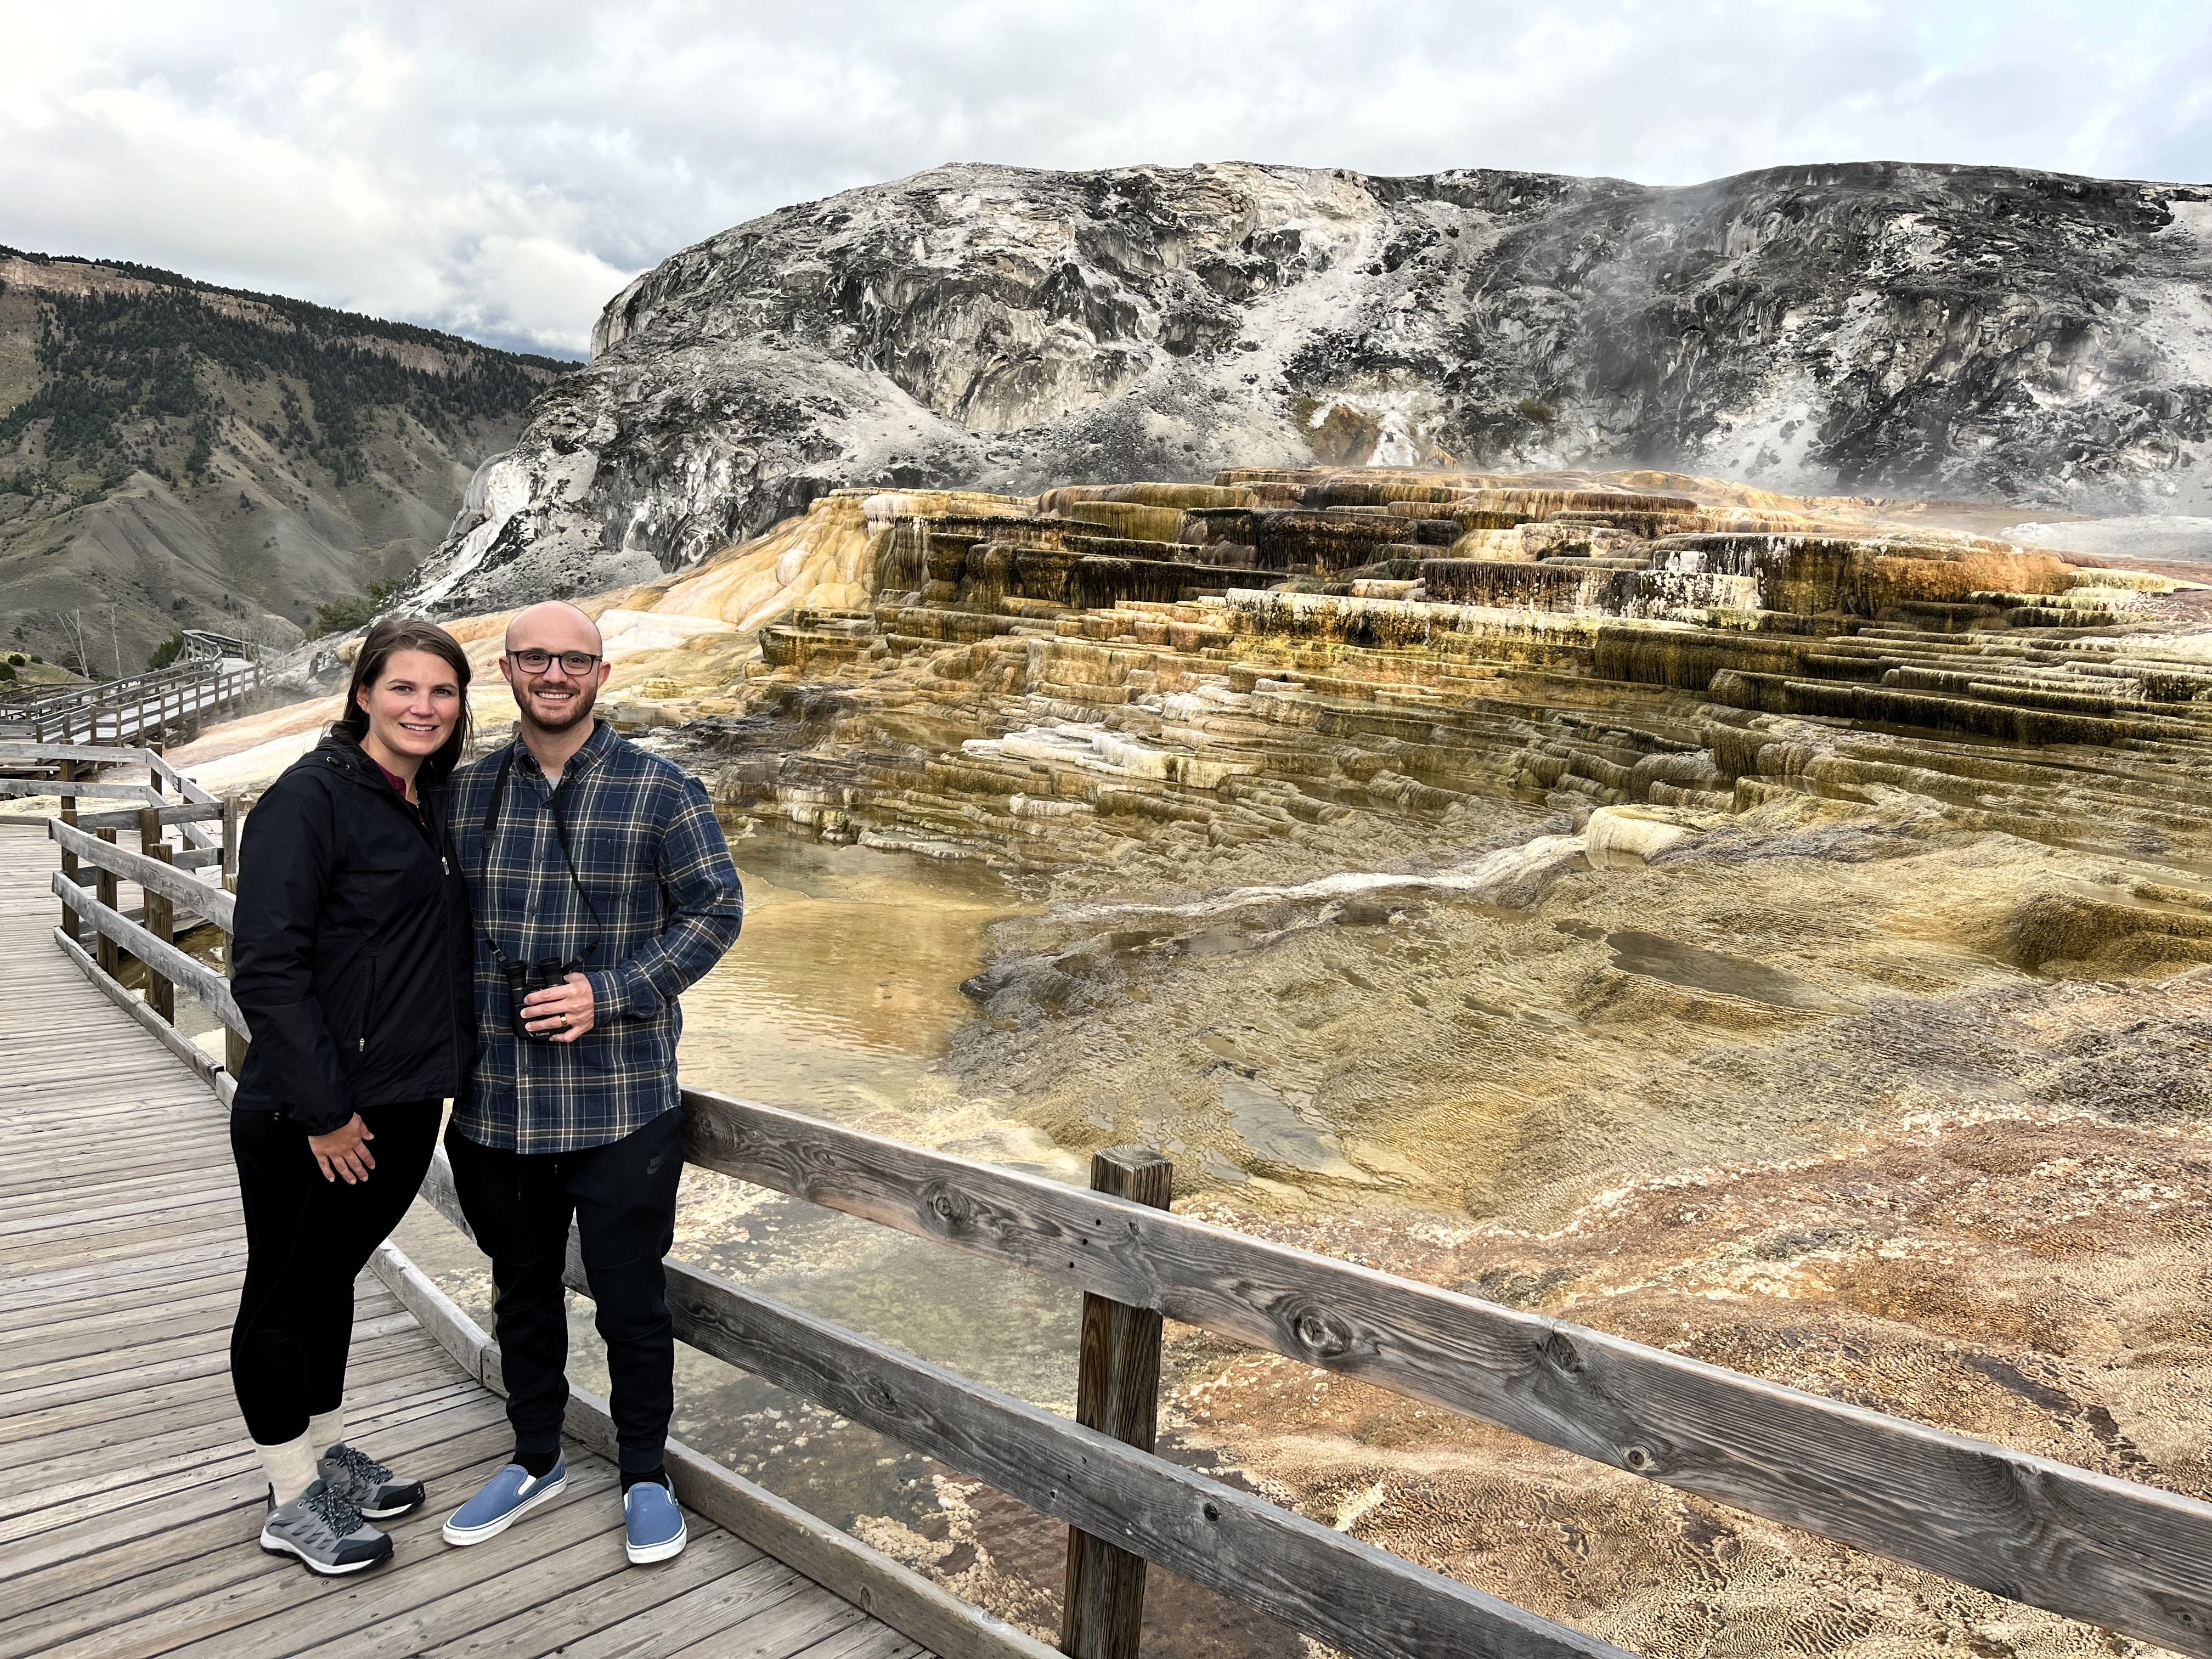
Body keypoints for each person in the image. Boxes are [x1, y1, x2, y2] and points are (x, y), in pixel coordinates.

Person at [439, 600, 743, 1566]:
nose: (555, 675)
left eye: (574, 660)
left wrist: (608, 993)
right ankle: (536, 1456)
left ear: (602, 675)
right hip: (496, 1105)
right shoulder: (466, 792)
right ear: (509, 670)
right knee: (520, 1289)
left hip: (623, 1101)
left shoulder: (663, 790)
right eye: (536, 659)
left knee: (630, 1302)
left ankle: (645, 1471)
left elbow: (716, 911)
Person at [228, 616, 477, 1575]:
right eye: (404, 687)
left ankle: (321, 1450)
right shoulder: (310, 799)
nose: (423, 707)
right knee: (285, 1294)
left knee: (331, 1281)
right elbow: (267, 965)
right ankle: (289, 1497)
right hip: (318, 1111)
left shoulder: (429, 799)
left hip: (406, 1100)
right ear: (364, 694)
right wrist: (327, 1111)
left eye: (442, 692)